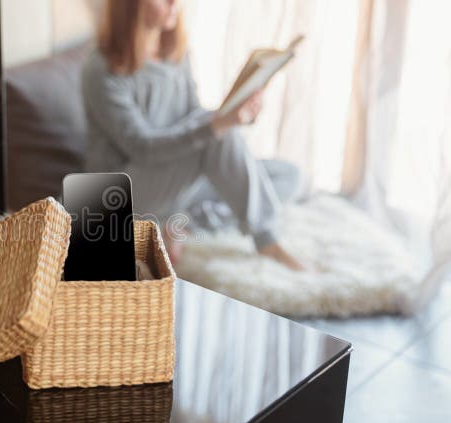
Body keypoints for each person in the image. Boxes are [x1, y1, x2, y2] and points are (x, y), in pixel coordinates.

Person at [81, 0, 304, 270]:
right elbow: (143, 147)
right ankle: (268, 242)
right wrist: (216, 125)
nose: (174, 2)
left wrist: (240, 115)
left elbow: (192, 117)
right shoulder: (101, 69)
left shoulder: (175, 53)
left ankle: (183, 223)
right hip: (114, 198)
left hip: (173, 179)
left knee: (288, 176)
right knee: (212, 133)